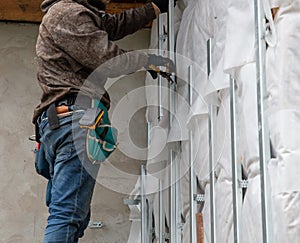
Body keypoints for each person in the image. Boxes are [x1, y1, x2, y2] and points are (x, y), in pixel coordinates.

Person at [33, 0, 175, 242]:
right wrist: (146, 60)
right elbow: (106, 58)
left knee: (72, 216)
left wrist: (153, 8)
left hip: (62, 121)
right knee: (67, 215)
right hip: (72, 122)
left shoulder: (73, 14)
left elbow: (111, 25)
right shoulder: (68, 13)